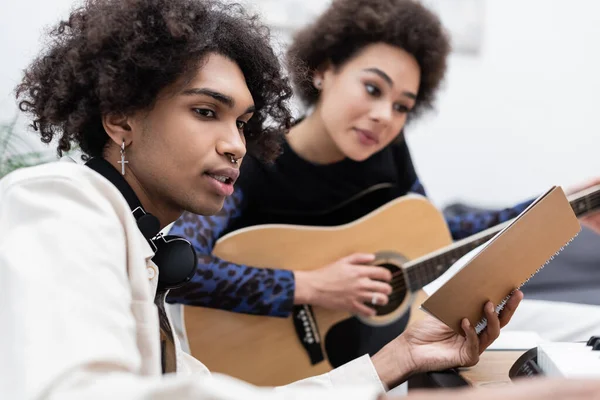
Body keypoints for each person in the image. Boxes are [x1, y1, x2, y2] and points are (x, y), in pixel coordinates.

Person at [0, 0, 535, 398]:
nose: (237, 145)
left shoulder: (139, 247)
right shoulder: (57, 204)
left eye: (244, 123)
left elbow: (439, 229)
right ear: (119, 119)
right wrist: (310, 286)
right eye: (207, 111)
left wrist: (402, 356)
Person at [165, 0, 600, 358]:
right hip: (269, 358)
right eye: (374, 89)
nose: (384, 116)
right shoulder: (256, 157)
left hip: (373, 349)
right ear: (323, 69)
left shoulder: (390, 150)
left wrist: (566, 205)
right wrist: (311, 285)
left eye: (402, 106)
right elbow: (179, 268)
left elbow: (435, 233)